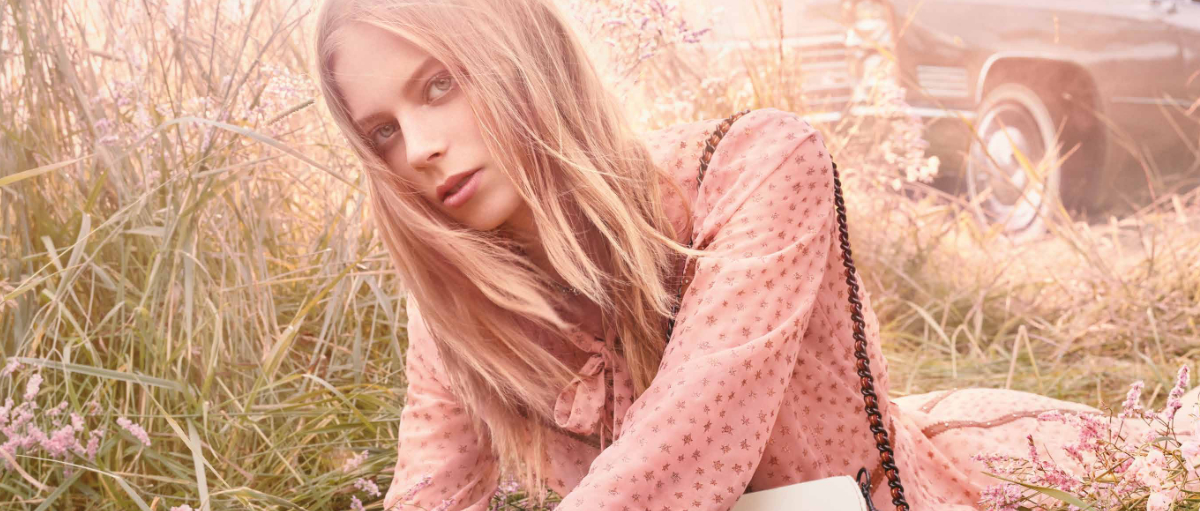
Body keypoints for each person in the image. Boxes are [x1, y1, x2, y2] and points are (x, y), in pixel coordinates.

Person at [311, 0, 1200, 509]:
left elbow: (686, 446)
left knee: (1163, 462)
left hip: (894, 500)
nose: (419, 148)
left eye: (439, 84)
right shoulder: (459, 310)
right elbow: (428, 494)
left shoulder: (756, 164)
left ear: (519, 53)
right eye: (382, 131)